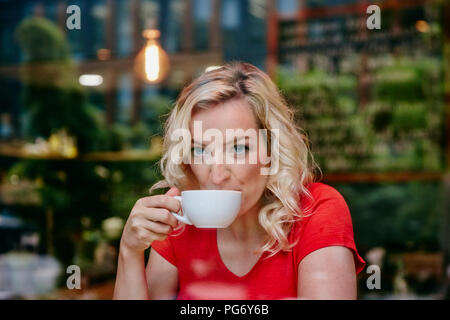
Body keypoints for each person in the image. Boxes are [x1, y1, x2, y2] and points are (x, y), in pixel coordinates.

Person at [113, 62, 365, 300]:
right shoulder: (179, 214)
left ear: (271, 150)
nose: (217, 174)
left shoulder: (316, 209)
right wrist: (129, 251)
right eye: (201, 150)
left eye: (239, 148)